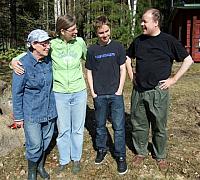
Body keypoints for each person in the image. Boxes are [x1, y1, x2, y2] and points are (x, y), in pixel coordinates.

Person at [11, 15, 87, 175]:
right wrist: (13, 60)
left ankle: (76, 158)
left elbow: (90, 58)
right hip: (57, 95)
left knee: (75, 129)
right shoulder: (51, 46)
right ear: (62, 31)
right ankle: (62, 160)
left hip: (76, 92)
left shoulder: (79, 43)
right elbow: (27, 56)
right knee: (63, 129)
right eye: (72, 29)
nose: (76, 32)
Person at [126, 8, 193, 170]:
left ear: (155, 23)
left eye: (145, 21)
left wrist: (173, 79)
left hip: (158, 91)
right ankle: (141, 152)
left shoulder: (168, 41)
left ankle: (160, 155)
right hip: (139, 90)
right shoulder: (138, 41)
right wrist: (131, 75)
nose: (142, 24)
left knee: (159, 126)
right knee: (138, 124)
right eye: (141, 21)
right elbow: (127, 57)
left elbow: (188, 60)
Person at [12, 29, 57, 180]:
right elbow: (17, 93)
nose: (48, 46)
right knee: (35, 144)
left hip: (50, 110)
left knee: (46, 140)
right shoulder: (22, 65)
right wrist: (18, 117)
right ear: (33, 44)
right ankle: (32, 171)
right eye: (44, 44)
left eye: (48, 43)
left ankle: (40, 166)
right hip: (32, 112)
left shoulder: (48, 60)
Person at [85, 15, 128, 175]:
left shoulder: (118, 47)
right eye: (101, 32)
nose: (105, 35)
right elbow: (88, 71)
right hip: (99, 95)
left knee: (118, 127)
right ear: (97, 33)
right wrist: (93, 92)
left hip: (115, 94)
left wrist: (120, 90)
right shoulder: (92, 50)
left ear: (110, 29)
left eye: (107, 31)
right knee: (100, 126)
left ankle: (121, 156)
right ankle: (102, 149)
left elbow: (123, 68)